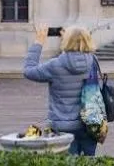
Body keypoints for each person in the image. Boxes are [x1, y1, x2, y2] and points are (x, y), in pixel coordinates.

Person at [23, 22, 101, 156]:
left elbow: (29, 71)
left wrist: (38, 42)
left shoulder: (56, 64)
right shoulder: (93, 61)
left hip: (62, 126)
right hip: (89, 123)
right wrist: (74, 36)